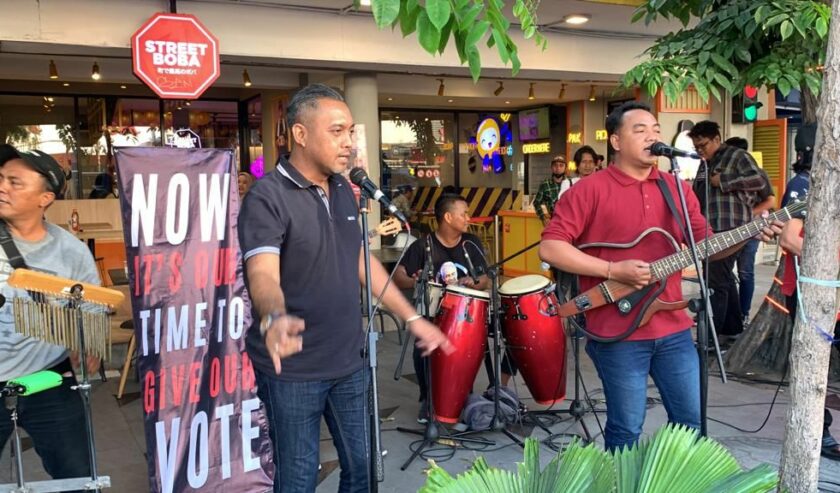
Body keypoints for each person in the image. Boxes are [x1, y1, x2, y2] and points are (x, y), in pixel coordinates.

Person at [237, 84, 450, 492]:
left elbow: (360, 261)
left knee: (363, 467)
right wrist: (275, 316)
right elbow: (262, 274)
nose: (349, 143)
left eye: (351, 131)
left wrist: (411, 317)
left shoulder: (342, 189)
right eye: (337, 131)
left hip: (349, 361)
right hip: (293, 369)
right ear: (300, 134)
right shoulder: (267, 197)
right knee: (298, 479)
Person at [538, 102, 781, 451]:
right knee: (626, 428)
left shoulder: (677, 190)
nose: (652, 135)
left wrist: (749, 232)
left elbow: (707, 246)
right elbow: (550, 248)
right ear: (616, 141)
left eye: (655, 129)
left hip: (674, 328)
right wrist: (612, 270)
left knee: (691, 424)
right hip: (616, 330)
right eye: (640, 130)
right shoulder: (589, 190)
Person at [0, 145, 102, 489]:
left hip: (48, 380)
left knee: (77, 478)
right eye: (1, 178)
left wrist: (87, 347)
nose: (2, 187)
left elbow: (91, 311)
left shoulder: (71, 251)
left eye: (15, 182)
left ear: (45, 197)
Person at [393, 194, 500, 423]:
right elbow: (399, 277)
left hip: (466, 315)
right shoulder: (423, 245)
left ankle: (464, 394)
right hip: (433, 313)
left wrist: (474, 282)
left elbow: (485, 279)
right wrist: (416, 281)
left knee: (474, 346)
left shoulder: (471, 243)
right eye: (464, 213)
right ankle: (428, 399)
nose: (468, 218)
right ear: (448, 217)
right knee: (423, 348)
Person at [689, 121, 768, 342]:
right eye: (696, 147)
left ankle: (711, 337)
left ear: (716, 139)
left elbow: (759, 180)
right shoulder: (704, 163)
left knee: (715, 278)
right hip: (710, 228)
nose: (700, 150)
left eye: (703, 145)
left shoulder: (736, 156)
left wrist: (724, 180)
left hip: (732, 227)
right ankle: (732, 329)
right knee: (721, 277)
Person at [723, 137, 776, 325]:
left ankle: (743, 314)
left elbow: (770, 201)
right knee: (724, 274)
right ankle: (728, 317)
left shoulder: (757, 174)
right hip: (727, 232)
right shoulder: (724, 176)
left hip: (750, 231)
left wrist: (747, 216)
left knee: (745, 272)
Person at [532, 155, 574, 225]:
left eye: (561, 165)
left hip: (569, 222)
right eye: (555, 165)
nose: (558, 168)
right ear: (551, 168)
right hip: (552, 222)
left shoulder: (571, 183)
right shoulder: (545, 184)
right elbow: (537, 202)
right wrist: (543, 217)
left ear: (565, 168)